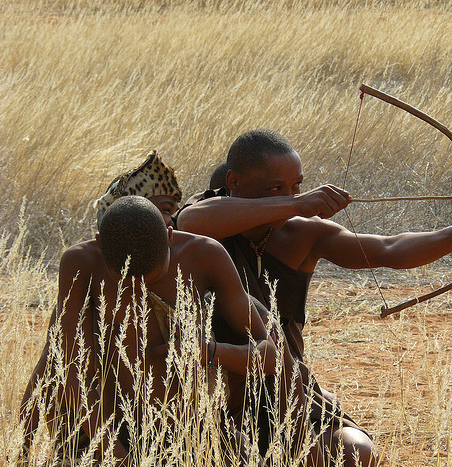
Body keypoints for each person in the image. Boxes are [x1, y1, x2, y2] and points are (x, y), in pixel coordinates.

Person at [176, 128, 452, 467]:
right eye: (275, 188)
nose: (291, 194)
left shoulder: (302, 232)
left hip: (287, 388)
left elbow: (388, 248)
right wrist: (295, 202)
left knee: (355, 453)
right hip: (213, 386)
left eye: (296, 185)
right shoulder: (206, 216)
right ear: (233, 183)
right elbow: (191, 221)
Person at [19, 199, 280, 465]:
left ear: (169, 235)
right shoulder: (80, 263)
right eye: (124, 281)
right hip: (107, 430)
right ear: (100, 244)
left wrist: (207, 352)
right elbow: (66, 366)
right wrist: (116, 454)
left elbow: (269, 355)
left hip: (192, 428)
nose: (138, 289)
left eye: (153, 277)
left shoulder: (204, 256)